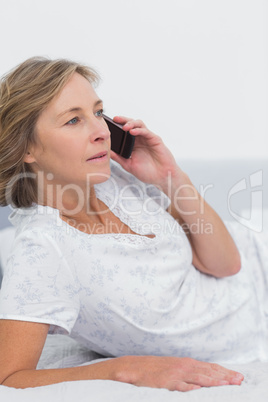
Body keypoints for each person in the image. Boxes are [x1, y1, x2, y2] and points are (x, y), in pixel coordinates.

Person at [0, 56, 267, 391]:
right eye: (73, 121)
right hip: (251, 337)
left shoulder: (114, 179)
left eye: (98, 113)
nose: (100, 132)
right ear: (27, 147)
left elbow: (227, 264)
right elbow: (9, 377)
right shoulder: (42, 249)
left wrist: (171, 177)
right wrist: (123, 369)